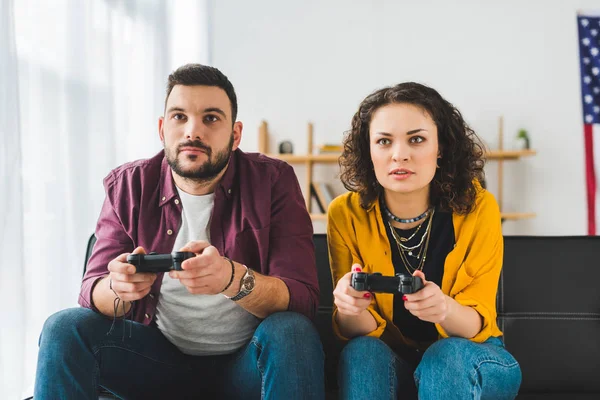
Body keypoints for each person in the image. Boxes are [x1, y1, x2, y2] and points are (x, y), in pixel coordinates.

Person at [34, 64, 324, 400]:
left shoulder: (273, 181)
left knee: (292, 331)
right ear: (162, 128)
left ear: (236, 134)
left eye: (211, 118)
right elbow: (91, 292)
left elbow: (302, 299)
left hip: (248, 363)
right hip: (154, 361)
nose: (193, 131)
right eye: (179, 117)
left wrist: (233, 279)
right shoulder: (128, 185)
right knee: (62, 328)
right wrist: (118, 287)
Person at [328, 82, 522, 399]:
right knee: (362, 352)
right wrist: (349, 307)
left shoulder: (479, 207)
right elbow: (354, 331)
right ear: (369, 150)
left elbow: (476, 326)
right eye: (384, 141)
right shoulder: (345, 213)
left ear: (440, 147)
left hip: (473, 356)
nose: (399, 155)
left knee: (443, 356)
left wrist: (443, 308)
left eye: (416, 139)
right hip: (394, 361)